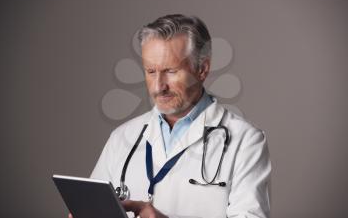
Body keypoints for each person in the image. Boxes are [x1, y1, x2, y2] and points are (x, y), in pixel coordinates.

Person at [74, 14, 271, 218]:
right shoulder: (122, 137)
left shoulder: (246, 141)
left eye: (170, 71)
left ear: (202, 69)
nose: (159, 86)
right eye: (151, 71)